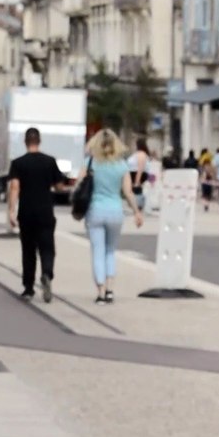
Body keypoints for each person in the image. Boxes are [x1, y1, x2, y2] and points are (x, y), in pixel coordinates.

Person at [82, 129, 144, 305]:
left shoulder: (90, 163)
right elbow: (128, 192)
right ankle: (110, 289)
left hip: (95, 211)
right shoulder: (121, 165)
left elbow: (79, 184)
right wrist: (136, 212)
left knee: (97, 252)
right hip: (116, 211)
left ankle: (100, 292)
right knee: (110, 251)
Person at [7, 127, 66, 303]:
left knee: (28, 250)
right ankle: (47, 273)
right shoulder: (49, 161)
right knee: (47, 247)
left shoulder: (18, 163)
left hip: (26, 212)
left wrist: (11, 210)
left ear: (26, 142)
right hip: (45, 211)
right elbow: (59, 187)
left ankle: (28, 288)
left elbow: (15, 187)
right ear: (39, 141)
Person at [126, 137, 155, 214]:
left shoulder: (141, 154)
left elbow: (140, 168)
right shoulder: (138, 154)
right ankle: (135, 206)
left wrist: (137, 181)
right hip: (133, 175)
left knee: (137, 193)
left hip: (138, 175)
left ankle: (138, 206)